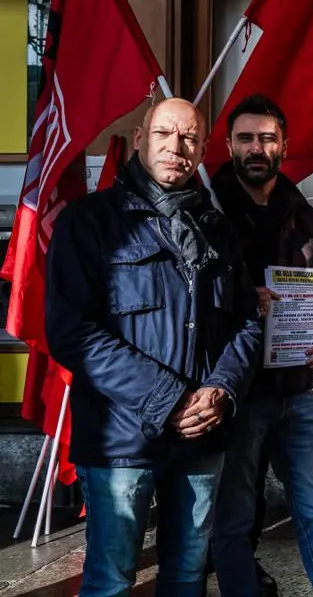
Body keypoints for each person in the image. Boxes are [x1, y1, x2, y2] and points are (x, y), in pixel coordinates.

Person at [45, 98, 262, 596]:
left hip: (200, 436)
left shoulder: (217, 228)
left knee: (187, 577)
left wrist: (222, 389)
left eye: (189, 138)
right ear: (141, 136)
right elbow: (70, 331)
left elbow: (248, 320)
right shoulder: (91, 223)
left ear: (203, 149)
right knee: (110, 581)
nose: (175, 147)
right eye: (164, 133)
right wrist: (170, 399)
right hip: (121, 440)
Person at [207, 94, 313, 597]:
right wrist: (243, 298)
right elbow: (190, 300)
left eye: (267, 138)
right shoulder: (208, 209)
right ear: (228, 145)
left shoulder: (302, 212)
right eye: (246, 138)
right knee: (235, 518)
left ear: (284, 145)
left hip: (295, 391)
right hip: (240, 393)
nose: (256, 148)